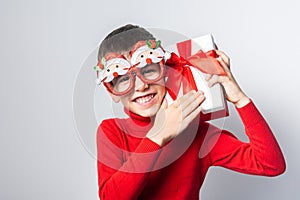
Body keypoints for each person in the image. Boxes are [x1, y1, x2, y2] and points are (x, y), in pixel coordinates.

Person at [95, 24, 286, 200]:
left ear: (166, 71)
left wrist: (240, 99)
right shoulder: (112, 131)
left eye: (149, 70)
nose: (141, 85)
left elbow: (271, 164)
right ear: (112, 92)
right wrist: (158, 136)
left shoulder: (198, 135)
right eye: (123, 79)